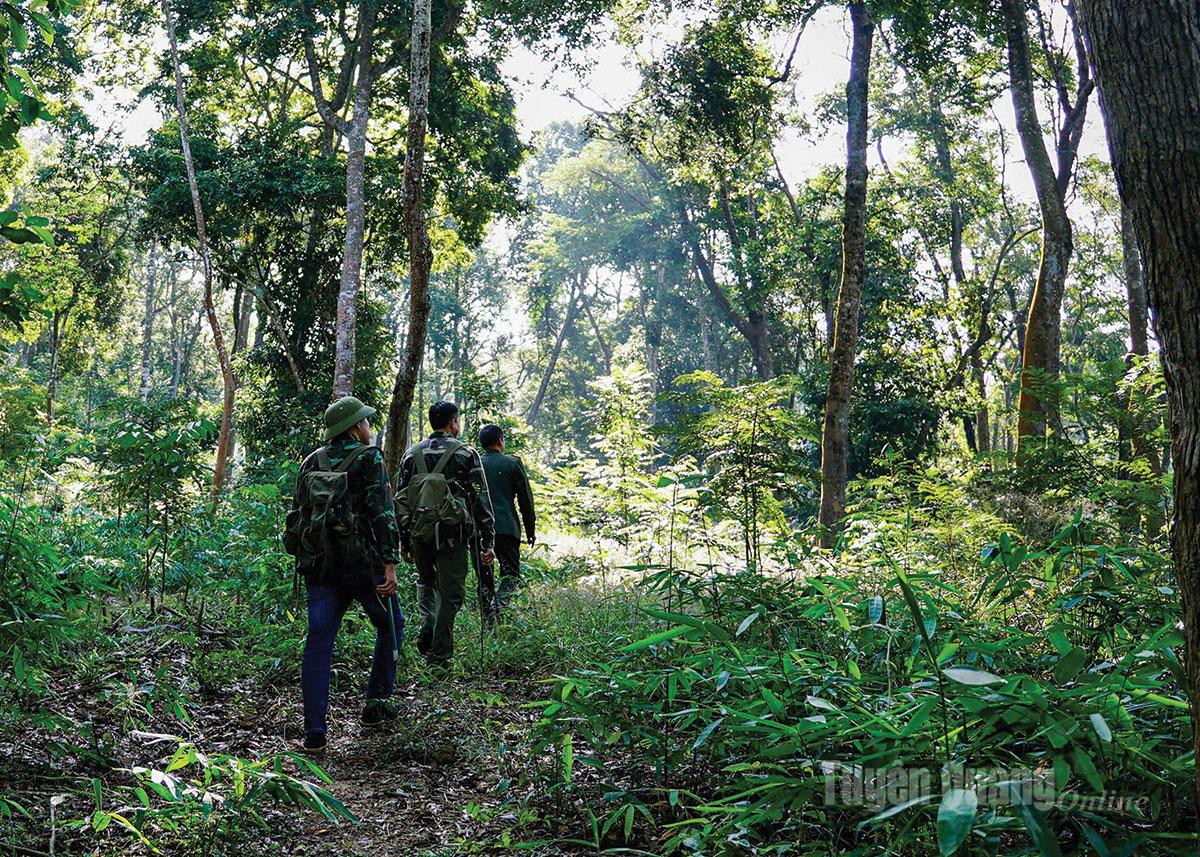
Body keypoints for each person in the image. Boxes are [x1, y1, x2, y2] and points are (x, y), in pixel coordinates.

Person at [285, 395, 405, 757]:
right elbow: (381, 511)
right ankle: (376, 704)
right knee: (391, 625)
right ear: (356, 427)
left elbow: (299, 514)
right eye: (366, 421)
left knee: (318, 642)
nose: (369, 427)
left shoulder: (312, 460)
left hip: (320, 566)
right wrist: (390, 562)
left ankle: (315, 732)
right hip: (363, 564)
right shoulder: (370, 458)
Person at [396, 401, 495, 670]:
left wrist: (404, 540)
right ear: (453, 422)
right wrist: (488, 541)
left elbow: (401, 499)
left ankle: (428, 623)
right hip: (453, 534)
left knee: (426, 582)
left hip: (419, 533)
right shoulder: (465, 453)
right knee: (451, 595)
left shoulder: (410, 454)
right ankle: (439, 656)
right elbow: (480, 499)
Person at [475, 424, 536, 620]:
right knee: (510, 575)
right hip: (506, 528)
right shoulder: (512, 463)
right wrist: (530, 530)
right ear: (501, 441)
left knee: (484, 578)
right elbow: (526, 500)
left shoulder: (474, 463)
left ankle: (488, 620)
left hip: (478, 530)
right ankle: (499, 607)